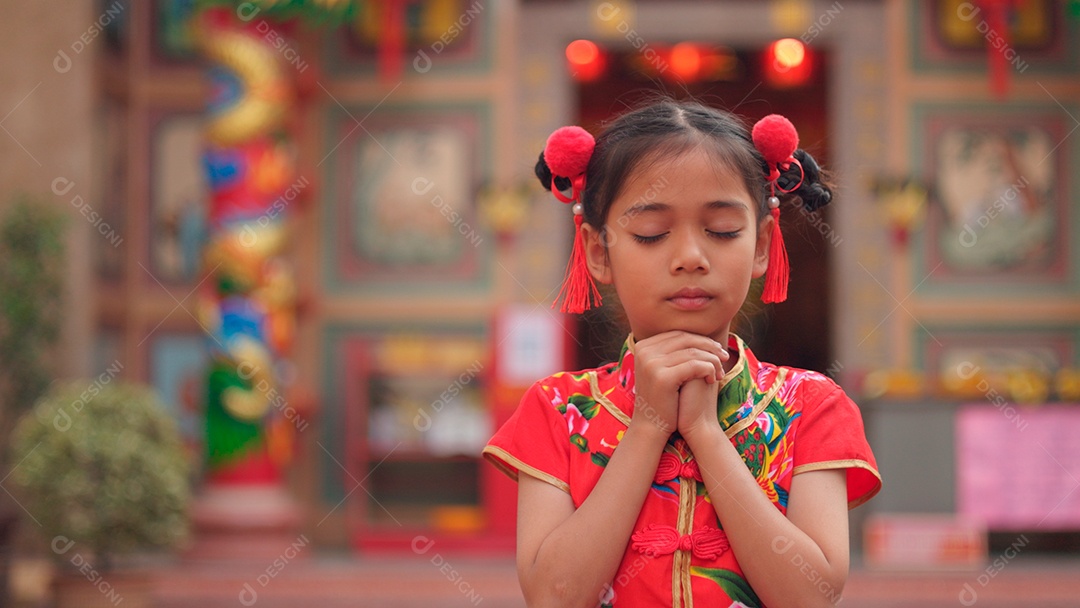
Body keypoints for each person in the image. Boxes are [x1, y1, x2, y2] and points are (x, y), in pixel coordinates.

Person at [483, 99, 881, 608]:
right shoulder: (558, 410)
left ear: (761, 245)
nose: (691, 258)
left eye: (721, 231)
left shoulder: (812, 406)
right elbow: (553, 596)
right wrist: (648, 426)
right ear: (598, 252)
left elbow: (811, 595)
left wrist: (706, 434)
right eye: (652, 233)